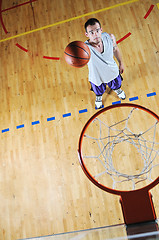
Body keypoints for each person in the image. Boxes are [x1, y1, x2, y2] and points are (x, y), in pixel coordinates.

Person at [84, 18, 126, 109]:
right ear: (87, 34)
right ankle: (99, 98)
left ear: (101, 30)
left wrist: (121, 63)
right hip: (97, 76)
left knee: (116, 85)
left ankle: (117, 90)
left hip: (112, 71)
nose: (95, 34)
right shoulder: (84, 49)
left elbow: (115, 49)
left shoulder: (110, 37)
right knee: (98, 91)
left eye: (97, 30)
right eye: (91, 32)